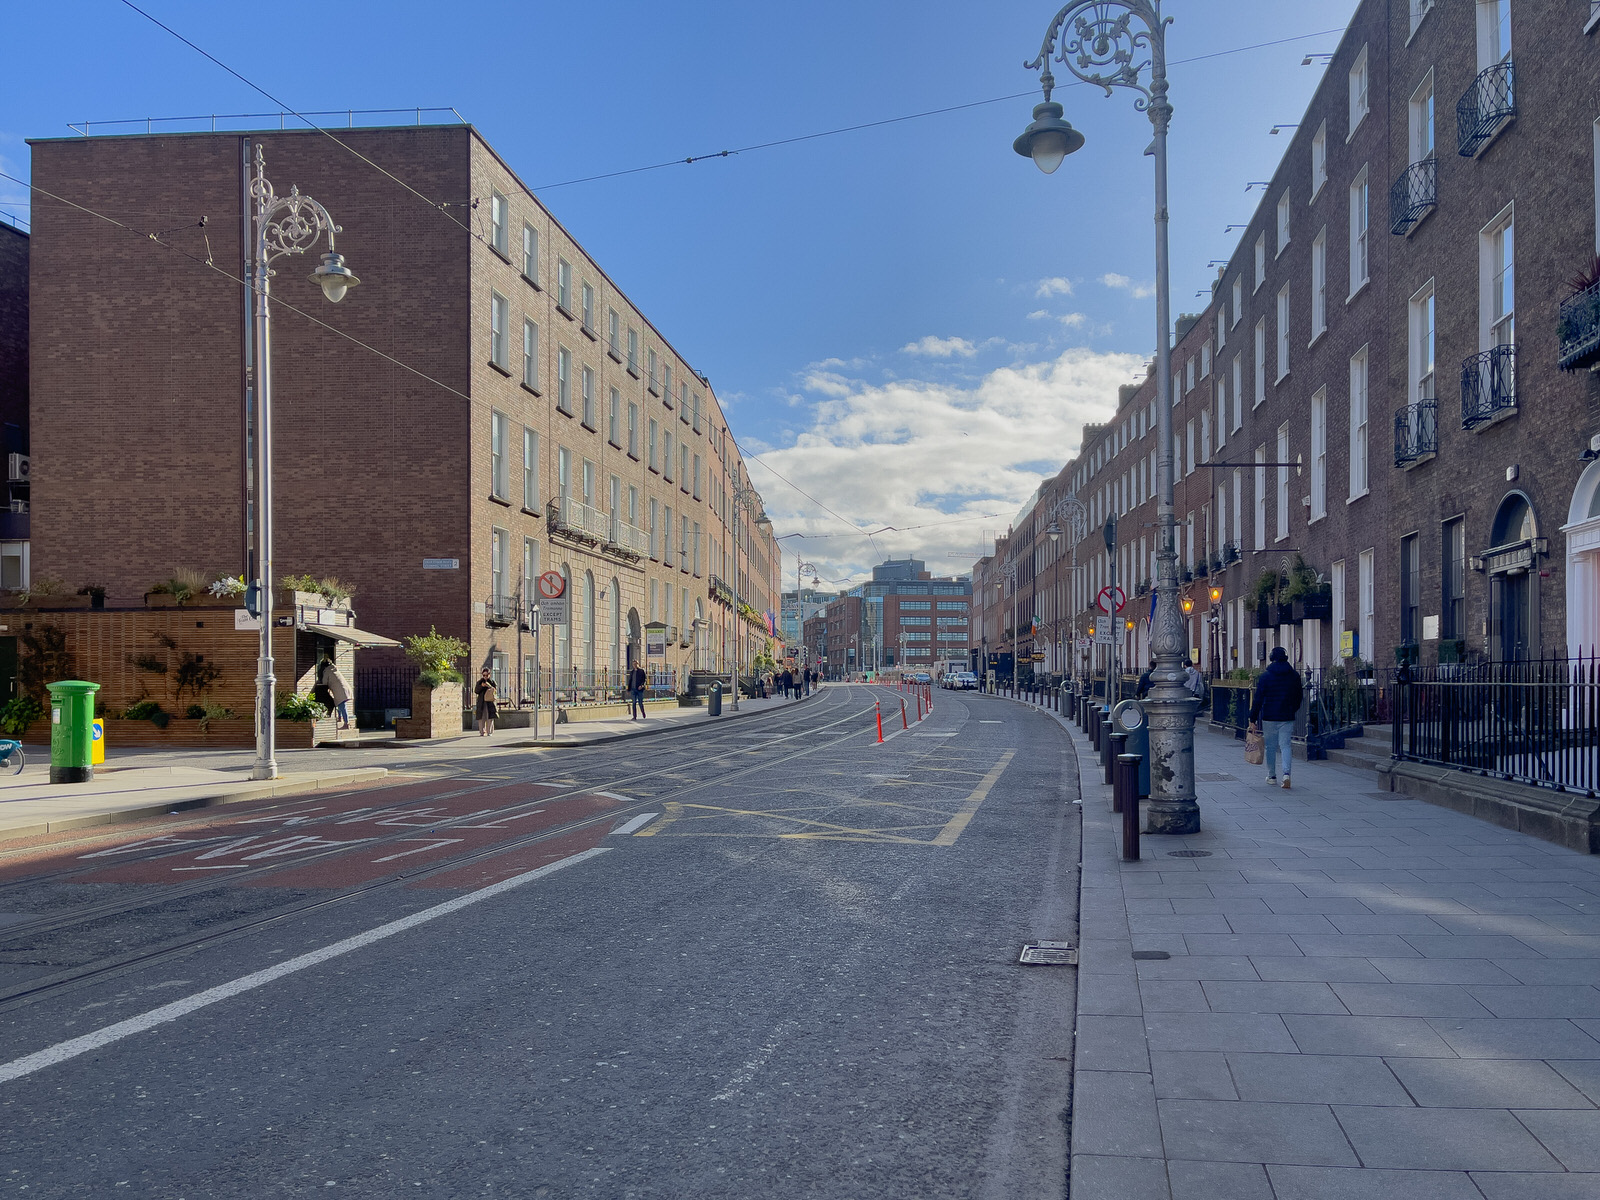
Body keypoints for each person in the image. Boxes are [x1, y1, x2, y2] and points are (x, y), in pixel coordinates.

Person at [1249, 646, 1304, 789]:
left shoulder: (1266, 676)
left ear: (1271, 658)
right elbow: (1299, 697)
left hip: (1269, 716)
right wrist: (1292, 709)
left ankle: (1272, 776)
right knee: (1286, 745)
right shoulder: (1294, 676)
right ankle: (1286, 774)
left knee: (1270, 747)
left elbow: (1258, 699)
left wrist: (1252, 718)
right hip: (1287, 715)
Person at [315, 653, 353, 730]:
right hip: (345, 689)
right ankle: (340, 718)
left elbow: (324, 682)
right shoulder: (334, 669)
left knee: (342, 706)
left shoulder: (327, 671)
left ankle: (346, 724)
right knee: (338, 704)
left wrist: (319, 681)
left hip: (339, 690)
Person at [474, 667, 498, 737]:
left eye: (486, 675)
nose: (485, 677)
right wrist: (482, 686)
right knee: (481, 717)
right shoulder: (479, 682)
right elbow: (476, 691)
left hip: (490, 702)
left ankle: (489, 731)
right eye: (483, 675)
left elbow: (495, 690)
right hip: (481, 702)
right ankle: (482, 731)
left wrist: (489, 686)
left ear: (489, 675)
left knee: (490, 717)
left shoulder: (492, 682)